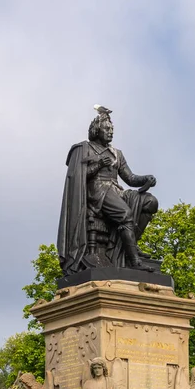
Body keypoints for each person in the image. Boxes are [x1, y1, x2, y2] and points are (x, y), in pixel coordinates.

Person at [57, 108, 158, 275]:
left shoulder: (116, 153)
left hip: (116, 190)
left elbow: (130, 178)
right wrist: (98, 165)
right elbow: (77, 177)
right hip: (97, 191)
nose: (110, 133)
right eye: (107, 129)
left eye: (112, 130)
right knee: (125, 214)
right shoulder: (84, 148)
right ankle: (135, 261)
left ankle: (131, 247)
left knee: (150, 202)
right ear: (97, 130)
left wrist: (146, 178)